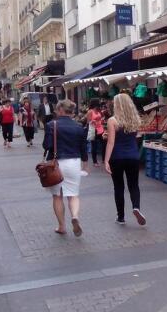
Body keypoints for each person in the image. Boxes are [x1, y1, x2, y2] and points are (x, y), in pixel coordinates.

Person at [43, 99, 88, 237]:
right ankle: (74, 216)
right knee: (73, 194)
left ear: (61, 110)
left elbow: (47, 145)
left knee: (57, 196)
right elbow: (83, 148)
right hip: (74, 162)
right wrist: (85, 164)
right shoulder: (79, 126)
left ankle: (62, 226)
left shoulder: (51, 125)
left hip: (57, 164)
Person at [104, 94, 146, 226]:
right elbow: (137, 136)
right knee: (134, 185)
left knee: (118, 187)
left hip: (117, 157)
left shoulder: (113, 120)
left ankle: (121, 217)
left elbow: (111, 142)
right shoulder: (135, 119)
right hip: (133, 156)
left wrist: (106, 160)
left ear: (117, 105)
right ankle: (136, 207)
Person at [86, 99, 105, 167]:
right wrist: (94, 121)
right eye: (98, 102)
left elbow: (100, 119)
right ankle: (95, 161)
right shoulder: (90, 111)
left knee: (104, 143)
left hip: (101, 129)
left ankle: (104, 159)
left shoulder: (98, 111)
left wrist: (101, 120)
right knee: (94, 146)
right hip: (94, 130)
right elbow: (88, 122)